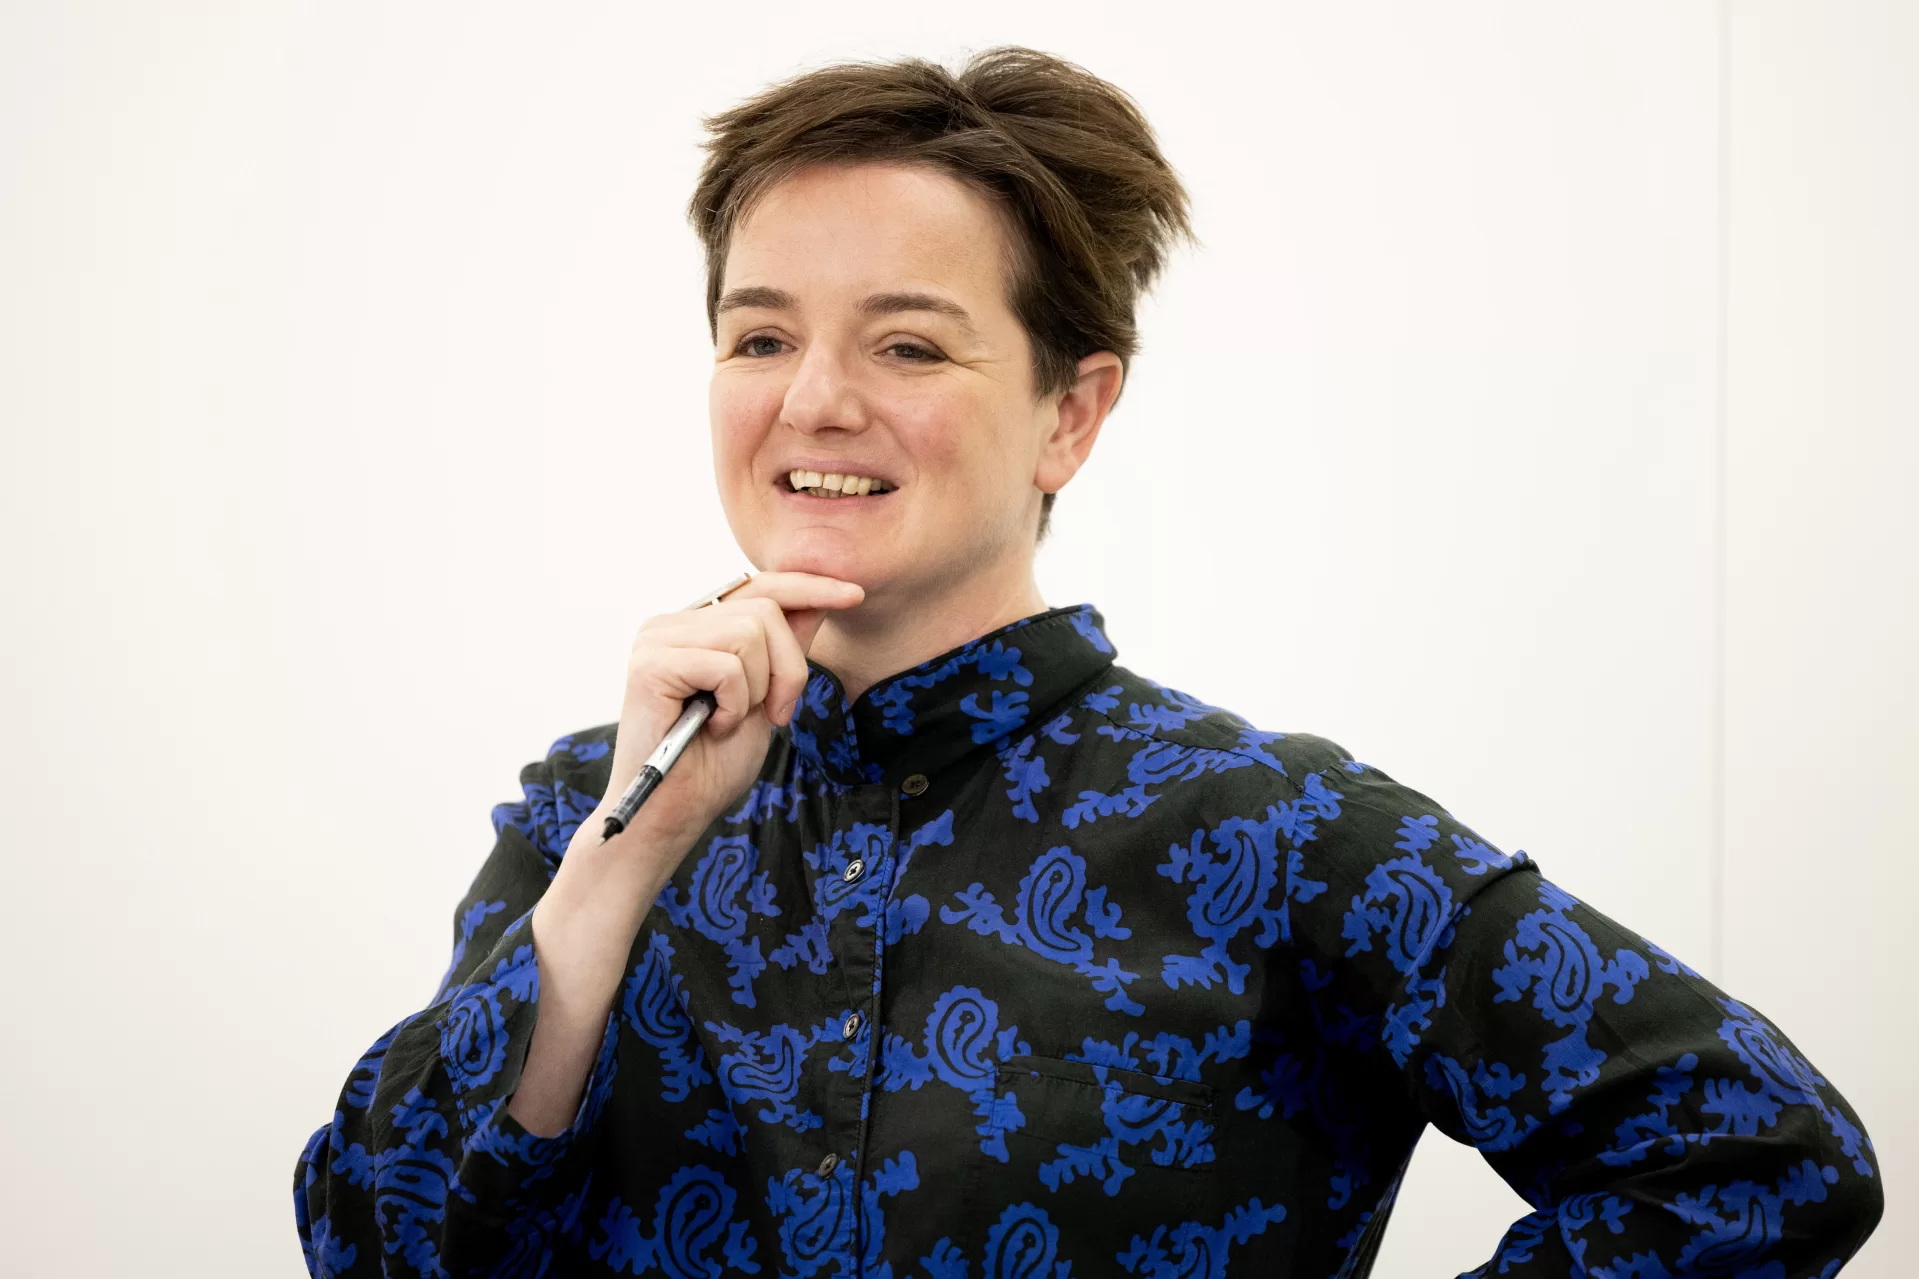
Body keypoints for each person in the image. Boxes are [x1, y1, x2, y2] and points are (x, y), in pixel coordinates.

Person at [294, 46, 1881, 1278]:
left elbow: (1753, 1152)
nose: (813, 400)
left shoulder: (1275, 831)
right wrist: (608, 876)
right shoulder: (585, 813)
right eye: (759, 335)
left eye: (907, 343)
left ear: (1071, 409)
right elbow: (380, 1245)